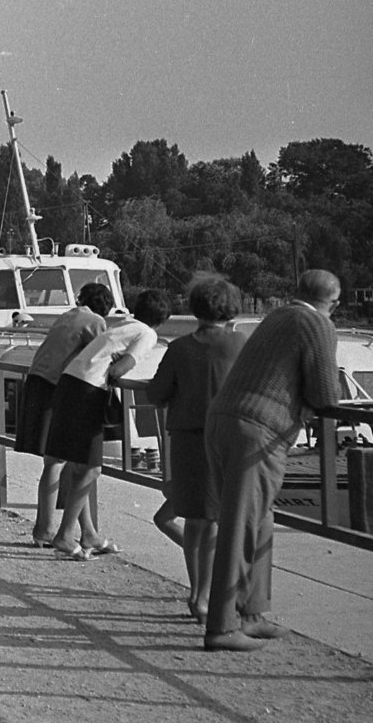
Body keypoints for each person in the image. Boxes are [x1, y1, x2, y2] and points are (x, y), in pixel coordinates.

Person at [203, 270, 341, 652]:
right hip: (258, 430)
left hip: (223, 420)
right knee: (240, 525)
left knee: (260, 521)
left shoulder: (277, 317)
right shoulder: (316, 324)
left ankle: (250, 612)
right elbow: (326, 392)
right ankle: (221, 626)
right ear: (334, 302)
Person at [146, 278, 246, 626]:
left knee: (193, 517)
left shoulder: (179, 348)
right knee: (217, 519)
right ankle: (210, 596)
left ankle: (198, 593)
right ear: (231, 308)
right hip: (227, 439)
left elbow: (156, 394)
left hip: (187, 439)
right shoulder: (239, 344)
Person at [45, 288, 170, 558]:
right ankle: (64, 536)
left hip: (70, 384)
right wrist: (119, 367)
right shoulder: (148, 334)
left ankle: (88, 534)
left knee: (80, 465)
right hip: (87, 391)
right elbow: (119, 369)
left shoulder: (122, 324)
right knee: (91, 469)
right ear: (161, 321)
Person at [14, 282, 115, 546]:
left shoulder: (68, 315)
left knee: (68, 460)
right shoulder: (93, 321)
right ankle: (46, 529)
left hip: (37, 382)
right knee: (57, 461)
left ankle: (86, 532)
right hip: (54, 388)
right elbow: (105, 353)